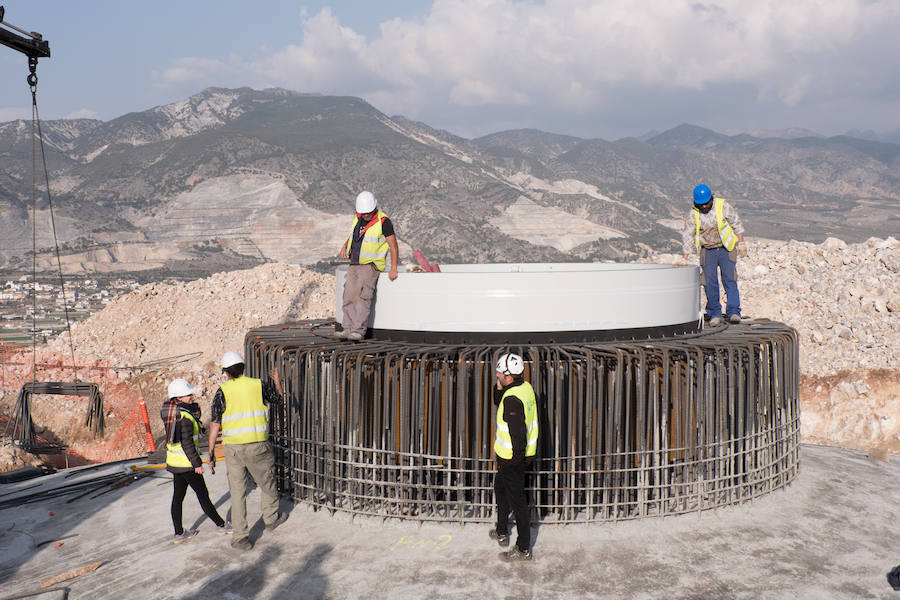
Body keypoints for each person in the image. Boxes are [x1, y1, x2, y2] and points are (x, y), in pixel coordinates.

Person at [207, 351, 287, 550]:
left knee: (237, 492)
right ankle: (270, 519)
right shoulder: (258, 385)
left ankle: (241, 538)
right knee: (267, 483)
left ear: (226, 372)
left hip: (233, 448)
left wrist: (210, 453)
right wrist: (277, 380)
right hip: (258, 444)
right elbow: (279, 400)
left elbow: (215, 424)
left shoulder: (222, 391)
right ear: (243, 367)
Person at [163, 378, 231, 544]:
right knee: (203, 495)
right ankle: (221, 525)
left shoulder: (172, 413)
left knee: (178, 497)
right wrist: (197, 464)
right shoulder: (184, 417)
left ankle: (179, 533)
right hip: (187, 465)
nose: (191, 396)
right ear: (178, 398)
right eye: (188, 394)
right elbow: (187, 443)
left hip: (175, 464)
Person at [489, 353, 539, 562]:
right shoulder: (524, 388)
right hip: (510, 459)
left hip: (512, 460)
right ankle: (501, 530)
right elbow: (497, 399)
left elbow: (517, 434)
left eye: (499, 373)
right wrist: (499, 385)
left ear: (509, 376)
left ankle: (523, 548)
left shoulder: (512, 400)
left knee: (518, 502)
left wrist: (517, 462)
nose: (497, 375)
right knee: (499, 488)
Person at [335, 190, 399, 341]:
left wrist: (394, 267)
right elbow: (353, 235)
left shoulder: (384, 222)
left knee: (362, 297)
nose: (364, 216)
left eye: (367, 213)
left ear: (374, 209)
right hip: (355, 262)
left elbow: (393, 246)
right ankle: (347, 328)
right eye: (362, 213)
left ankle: (358, 330)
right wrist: (345, 245)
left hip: (371, 265)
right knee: (349, 295)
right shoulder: (358, 218)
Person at [682, 184, 746, 325]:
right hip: (708, 251)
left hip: (726, 249)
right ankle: (714, 313)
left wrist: (741, 242)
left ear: (711, 198)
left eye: (706, 203)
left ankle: (734, 311)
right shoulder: (693, 214)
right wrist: (685, 257)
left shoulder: (722, 206)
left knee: (730, 279)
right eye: (701, 204)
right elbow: (688, 235)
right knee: (709, 282)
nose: (704, 206)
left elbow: (736, 223)